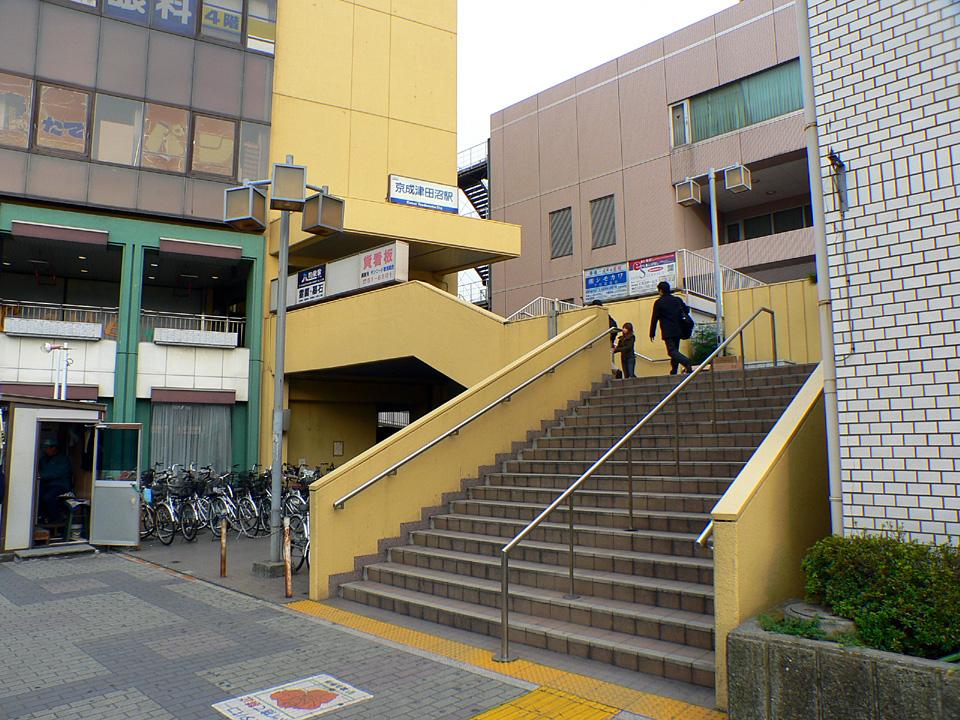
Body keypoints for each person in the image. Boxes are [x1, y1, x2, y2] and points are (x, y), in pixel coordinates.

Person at [649, 281, 694, 376]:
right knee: (675, 350)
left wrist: (652, 332)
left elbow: (654, 318)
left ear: (661, 291)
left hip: (667, 331)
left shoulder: (659, 302)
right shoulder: (677, 300)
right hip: (678, 329)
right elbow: (686, 310)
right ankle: (674, 370)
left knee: (671, 351)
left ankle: (686, 362)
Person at [37, 438, 72, 524]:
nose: (45, 450)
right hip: (47, 485)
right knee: (37, 495)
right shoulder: (43, 459)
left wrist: (41, 476)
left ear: (54, 448)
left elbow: (55, 473)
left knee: (48, 497)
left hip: (60, 485)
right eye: (45, 448)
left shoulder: (63, 459)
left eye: (47, 448)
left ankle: (58, 519)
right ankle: (42, 518)